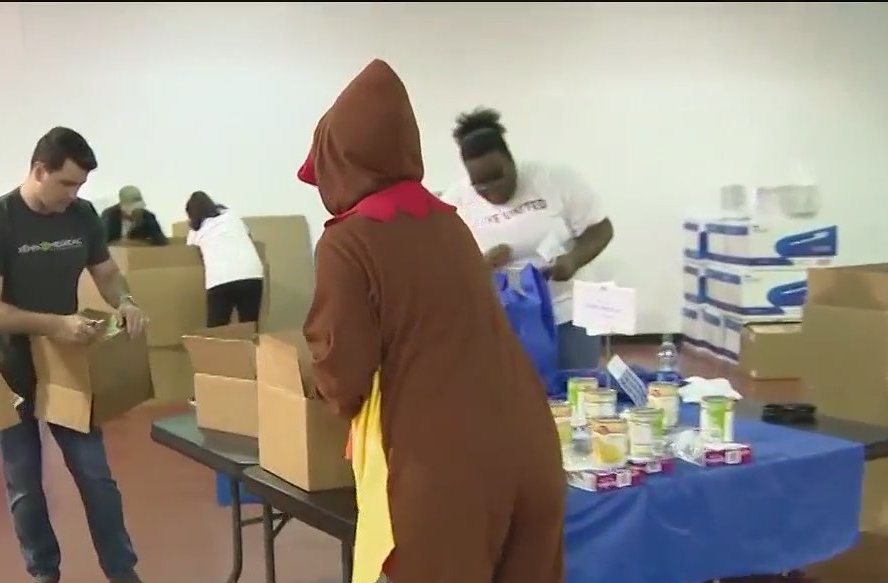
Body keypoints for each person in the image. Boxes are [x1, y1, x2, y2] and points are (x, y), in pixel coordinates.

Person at [298, 59, 565, 583]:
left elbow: (342, 368)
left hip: (445, 466)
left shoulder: (347, 240)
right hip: (532, 446)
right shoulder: (449, 221)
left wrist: (324, 391)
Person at [0, 126, 150, 583]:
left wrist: (124, 300)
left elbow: (106, 274)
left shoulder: (81, 216)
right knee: (25, 486)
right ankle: (44, 574)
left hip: (65, 366)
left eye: (80, 185)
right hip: (4, 369)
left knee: (96, 477)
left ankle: (123, 573)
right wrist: (55, 324)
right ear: (39, 170)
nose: (74, 194)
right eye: (66, 183)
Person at [442, 107, 614, 370]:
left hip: (568, 310)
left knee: (578, 388)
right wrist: (482, 265)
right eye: (480, 185)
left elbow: (601, 229)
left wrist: (573, 260)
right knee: (517, 399)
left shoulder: (553, 179)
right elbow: (443, 271)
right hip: (505, 319)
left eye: (497, 177)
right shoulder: (456, 203)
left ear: (511, 160)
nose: (491, 191)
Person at [184, 190, 264, 327]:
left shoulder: (195, 231)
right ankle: (253, 348)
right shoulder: (231, 216)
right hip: (251, 274)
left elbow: (189, 252)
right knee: (250, 327)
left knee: (217, 332)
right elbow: (249, 236)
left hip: (220, 279)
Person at [100, 185, 168, 246]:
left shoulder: (147, 216)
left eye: (139, 209)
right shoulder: (109, 215)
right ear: (123, 208)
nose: (137, 212)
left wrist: (137, 243)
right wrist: (120, 243)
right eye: (133, 209)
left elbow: (161, 241)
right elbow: (102, 243)